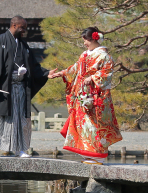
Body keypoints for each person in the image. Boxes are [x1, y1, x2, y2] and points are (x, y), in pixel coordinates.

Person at [0, 16, 54, 158]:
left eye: (25, 27)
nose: (24, 30)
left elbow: (33, 66)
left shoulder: (24, 46)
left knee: (21, 120)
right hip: (3, 88)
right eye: (22, 27)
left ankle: (22, 150)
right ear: (13, 25)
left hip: (20, 89)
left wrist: (47, 73)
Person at [48, 26, 122, 164]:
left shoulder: (104, 55)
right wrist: (63, 73)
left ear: (94, 38)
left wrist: (93, 78)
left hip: (96, 95)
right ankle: (87, 153)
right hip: (82, 94)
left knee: (95, 124)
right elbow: (76, 68)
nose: (84, 43)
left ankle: (97, 154)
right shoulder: (84, 54)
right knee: (84, 124)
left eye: (86, 40)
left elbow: (107, 72)